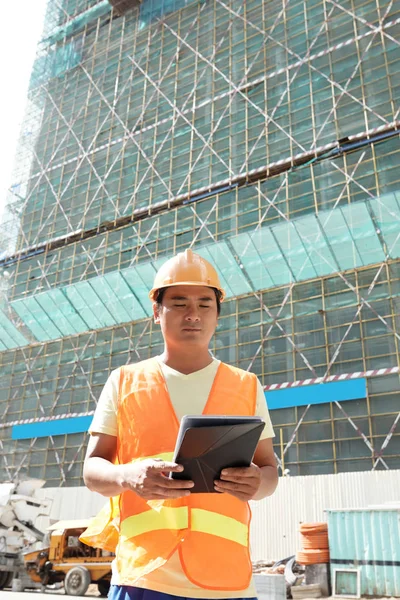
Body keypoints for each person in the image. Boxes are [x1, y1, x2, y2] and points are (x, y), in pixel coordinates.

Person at [82, 249, 278, 600]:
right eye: (179, 303)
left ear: (217, 315)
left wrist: (257, 482)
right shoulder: (123, 381)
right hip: (144, 576)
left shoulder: (246, 385)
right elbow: (93, 471)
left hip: (226, 580)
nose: (193, 314)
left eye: (205, 304)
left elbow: (269, 473)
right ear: (156, 311)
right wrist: (128, 475)